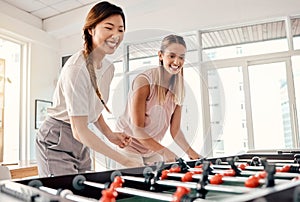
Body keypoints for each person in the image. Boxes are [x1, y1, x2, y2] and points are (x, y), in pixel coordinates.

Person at [35, 1, 141, 177]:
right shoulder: (76, 70)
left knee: (85, 191)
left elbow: (93, 106)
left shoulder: (108, 68)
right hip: (57, 138)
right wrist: (125, 160)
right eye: (109, 28)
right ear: (91, 30)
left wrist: (109, 134)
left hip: (81, 140)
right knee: (65, 195)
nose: (116, 35)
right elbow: (79, 130)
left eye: (121, 30)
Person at [115, 34, 201, 166]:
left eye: (181, 57)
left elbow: (175, 130)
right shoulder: (144, 82)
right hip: (128, 144)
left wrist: (191, 153)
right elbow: (137, 129)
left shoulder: (178, 88)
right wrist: (164, 151)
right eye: (172, 56)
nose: (177, 62)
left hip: (150, 148)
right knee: (137, 181)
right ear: (160, 55)